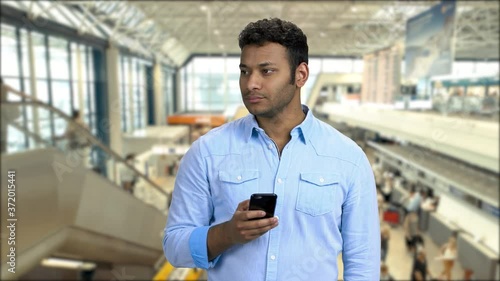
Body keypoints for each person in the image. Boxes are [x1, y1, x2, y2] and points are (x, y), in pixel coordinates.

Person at [163, 18, 380, 281]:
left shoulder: (348, 159)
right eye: (245, 71)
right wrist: (227, 234)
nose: (251, 83)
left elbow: (363, 264)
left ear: (300, 75)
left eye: (266, 71)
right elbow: (174, 247)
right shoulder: (207, 152)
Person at [1, 77, 40, 153]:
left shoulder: (4, 86)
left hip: (3, 111)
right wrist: (34, 99)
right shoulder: (4, 86)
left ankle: (3, 152)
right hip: (5, 111)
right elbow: (20, 94)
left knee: (3, 131)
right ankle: (3, 152)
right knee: (4, 132)